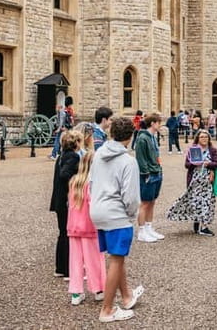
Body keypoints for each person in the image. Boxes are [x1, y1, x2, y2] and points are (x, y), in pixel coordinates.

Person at [89, 117, 144, 323]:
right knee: (117, 259)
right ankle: (108, 309)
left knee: (115, 257)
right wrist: (131, 217)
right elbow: (130, 197)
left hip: (98, 210)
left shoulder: (99, 153)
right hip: (116, 213)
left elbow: (92, 183)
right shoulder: (128, 161)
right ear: (130, 136)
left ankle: (127, 297)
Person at [67, 149, 106, 305]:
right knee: (95, 259)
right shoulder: (92, 184)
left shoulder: (74, 181)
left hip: (74, 226)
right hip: (90, 227)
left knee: (75, 261)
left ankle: (76, 293)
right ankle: (98, 289)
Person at [166, 129, 217, 236]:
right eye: (202, 137)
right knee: (195, 202)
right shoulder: (193, 150)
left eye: (206, 137)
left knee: (207, 203)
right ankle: (196, 222)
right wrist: (195, 163)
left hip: (207, 182)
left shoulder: (212, 150)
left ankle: (204, 227)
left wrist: (207, 164)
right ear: (198, 138)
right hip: (195, 181)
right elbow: (186, 165)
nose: (204, 138)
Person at [50, 130, 82, 280]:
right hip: (65, 200)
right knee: (69, 234)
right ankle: (69, 270)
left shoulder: (61, 156)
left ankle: (60, 267)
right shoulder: (73, 156)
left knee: (62, 233)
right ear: (76, 143)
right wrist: (76, 182)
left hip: (59, 200)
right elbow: (64, 174)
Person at [135, 113, 165, 243]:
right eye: (159, 123)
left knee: (152, 201)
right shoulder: (142, 138)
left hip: (156, 171)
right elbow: (140, 158)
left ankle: (149, 227)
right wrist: (146, 173)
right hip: (148, 175)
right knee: (145, 203)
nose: (160, 125)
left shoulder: (152, 137)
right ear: (153, 123)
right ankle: (141, 231)